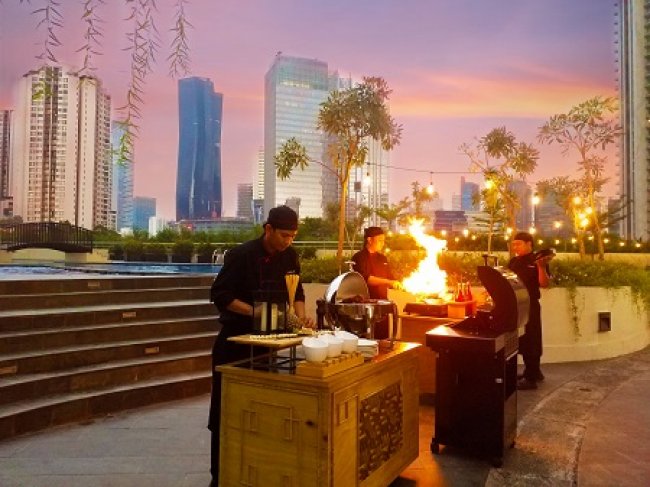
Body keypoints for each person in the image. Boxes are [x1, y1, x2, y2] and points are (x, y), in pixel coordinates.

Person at [208, 205, 313, 486]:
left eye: (293, 236)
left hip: (269, 346)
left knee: (262, 414)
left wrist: (300, 317)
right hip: (235, 344)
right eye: (284, 235)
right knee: (226, 415)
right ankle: (220, 477)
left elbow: (298, 291)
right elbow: (220, 294)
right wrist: (256, 311)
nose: (288, 241)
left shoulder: (289, 256)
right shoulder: (241, 255)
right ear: (268, 229)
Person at [507, 231, 553, 390]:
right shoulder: (513, 261)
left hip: (531, 305)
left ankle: (531, 378)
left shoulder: (538, 260)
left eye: (518, 244)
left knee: (532, 338)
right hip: (517, 305)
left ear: (529, 244)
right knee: (523, 340)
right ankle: (534, 371)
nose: (515, 247)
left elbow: (544, 284)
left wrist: (541, 267)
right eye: (514, 244)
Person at [351, 226, 402, 339]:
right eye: (380, 240)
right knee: (367, 338)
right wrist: (389, 282)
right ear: (369, 240)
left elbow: (390, 278)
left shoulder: (382, 258)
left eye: (383, 240)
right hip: (365, 305)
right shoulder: (359, 257)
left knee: (382, 338)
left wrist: (397, 283)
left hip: (382, 305)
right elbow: (366, 279)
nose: (382, 243)